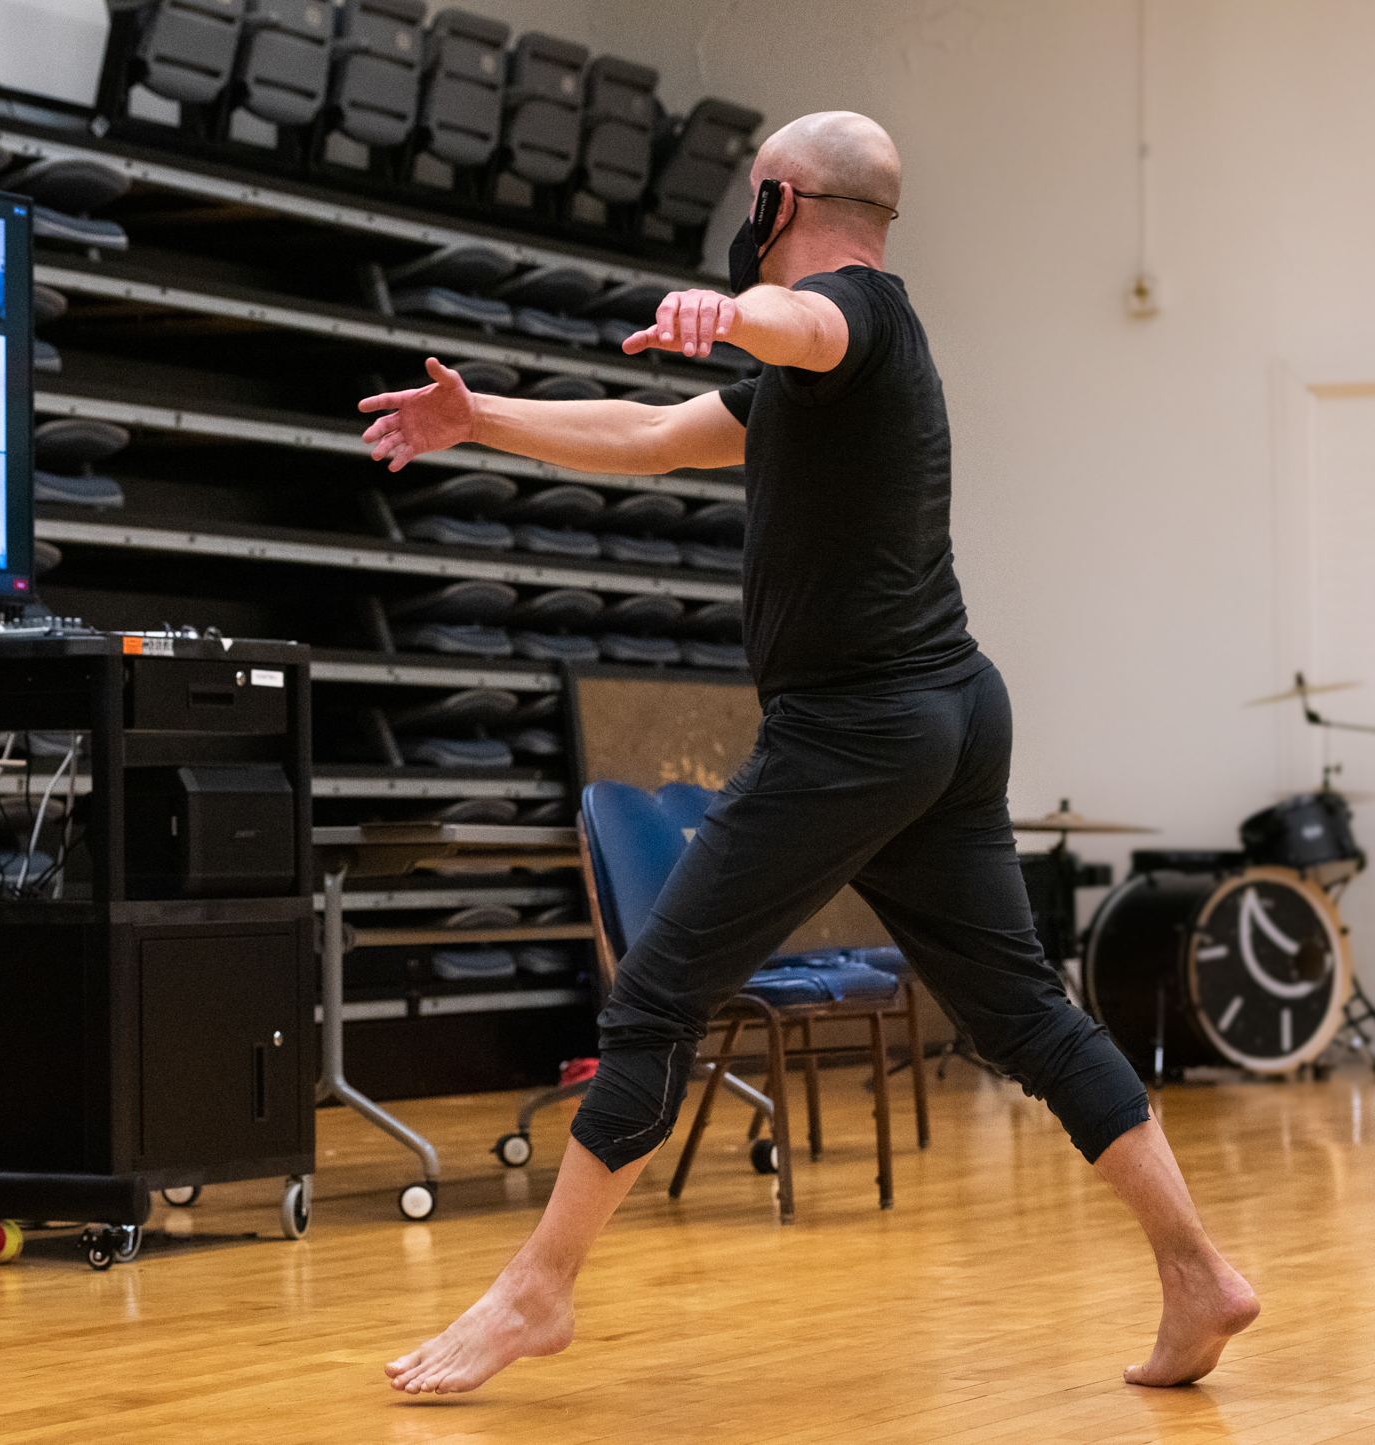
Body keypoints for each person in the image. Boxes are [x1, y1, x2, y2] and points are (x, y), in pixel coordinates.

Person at [360, 111, 1259, 1396]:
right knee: (1021, 1011)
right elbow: (647, 435)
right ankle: (1195, 1272)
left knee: (654, 993)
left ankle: (535, 1291)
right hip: (947, 715)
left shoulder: (855, 321)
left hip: (857, 729)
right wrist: (479, 415)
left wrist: (723, 311)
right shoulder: (819, 388)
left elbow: (806, 320)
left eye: (752, 197)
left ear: (779, 200)